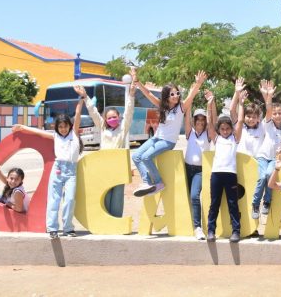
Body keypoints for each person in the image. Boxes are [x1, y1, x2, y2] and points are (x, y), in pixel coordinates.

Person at [12, 96, 83, 239]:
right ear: (57, 127)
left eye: (65, 126)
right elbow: (38, 132)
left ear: (70, 126)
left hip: (71, 171)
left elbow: (77, 116)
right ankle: (52, 228)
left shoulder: (74, 135)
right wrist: (23, 127)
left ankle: (68, 228)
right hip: (57, 169)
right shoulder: (56, 136)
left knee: (69, 200)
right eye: (60, 127)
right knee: (54, 199)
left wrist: (81, 100)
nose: (63, 129)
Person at [132, 70, 207, 197]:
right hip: (156, 138)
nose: (176, 96)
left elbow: (191, 96)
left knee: (146, 157)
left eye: (177, 93)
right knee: (136, 156)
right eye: (172, 94)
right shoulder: (162, 106)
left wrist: (198, 84)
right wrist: (137, 82)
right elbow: (148, 94)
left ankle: (159, 183)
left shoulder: (181, 108)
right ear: (166, 96)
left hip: (168, 141)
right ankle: (147, 182)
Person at [72, 67, 136, 217]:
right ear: (106, 119)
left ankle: (116, 220)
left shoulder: (123, 128)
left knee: (118, 195)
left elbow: (129, 111)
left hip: (118, 166)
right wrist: (85, 96)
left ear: (119, 117)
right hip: (105, 166)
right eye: (109, 117)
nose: (112, 119)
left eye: (115, 117)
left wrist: (132, 94)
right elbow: (93, 112)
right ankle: (106, 220)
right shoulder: (102, 127)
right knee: (105, 193)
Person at [206, 87, 245, 243]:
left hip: (230, 175)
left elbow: (240, 121)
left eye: (228, 128)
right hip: (216, 174)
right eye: (222, 129)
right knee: (214, 203)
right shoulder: (216, 138)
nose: (225, 131)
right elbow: (210, 122)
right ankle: (210, 231)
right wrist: (210, 104)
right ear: (219, 129)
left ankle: (236, 231)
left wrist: (241, 102)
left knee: (232, 204)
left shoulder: (234, 139)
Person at [250, 79, 281, 218]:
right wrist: (268, 95)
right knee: (262, 177)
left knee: (269, 176)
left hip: (275, 159)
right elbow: (268, 107)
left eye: (280, 113)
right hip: (263, 156)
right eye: (275, 113)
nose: (277, 115)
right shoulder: (268, 124)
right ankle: (256, 204)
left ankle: (267, 202)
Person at [228, 78, 266, 220]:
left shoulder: (262, 128)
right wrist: (237, 94)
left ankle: (253, 226)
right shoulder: (240, 126)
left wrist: (266, 95)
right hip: (239, 166)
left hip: (255, 167)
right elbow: (232, 110)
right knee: (239, 196)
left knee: (251, 196)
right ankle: (238, 223)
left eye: (253, 117)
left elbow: (268, 113)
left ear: (258, 119)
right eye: (248, 116)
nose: (250, 119)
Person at [184, 101, 211, 241]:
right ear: (194, 121)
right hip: (187, 168)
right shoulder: (190, 132)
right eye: (197, 118)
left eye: (203, 119)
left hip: (200, 171)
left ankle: (198, 227)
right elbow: (186, 115)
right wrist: (191, 98)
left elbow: (212, 121)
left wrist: (210, 105)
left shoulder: (208, 134)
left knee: (195, 195)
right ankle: (188, 224)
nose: (200, 121)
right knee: (187, 197)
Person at [0, 146, 28, 213]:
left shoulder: (18, 192)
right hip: (16, 210)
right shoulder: (11, 184)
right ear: (7, 178)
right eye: (11, 178)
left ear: (21, 181)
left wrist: (9, 204)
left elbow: (19, 209)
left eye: (17, 179)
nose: (13, 181)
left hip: (21, 216)